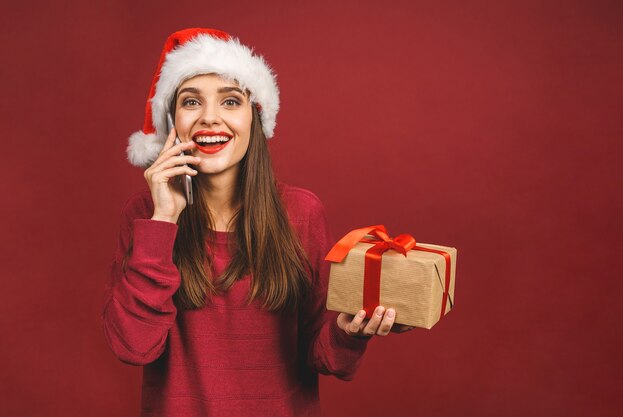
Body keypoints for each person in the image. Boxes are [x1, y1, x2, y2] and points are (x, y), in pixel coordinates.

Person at [102, 28, 411, 417]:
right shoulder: (144, 215)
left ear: (256, 117)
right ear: (172, 123)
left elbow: (325, 357)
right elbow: (134, 347)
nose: (209, 117)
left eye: (230, 101)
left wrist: (348, 332)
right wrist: (164, 219)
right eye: (191, 101)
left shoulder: (302, 213)